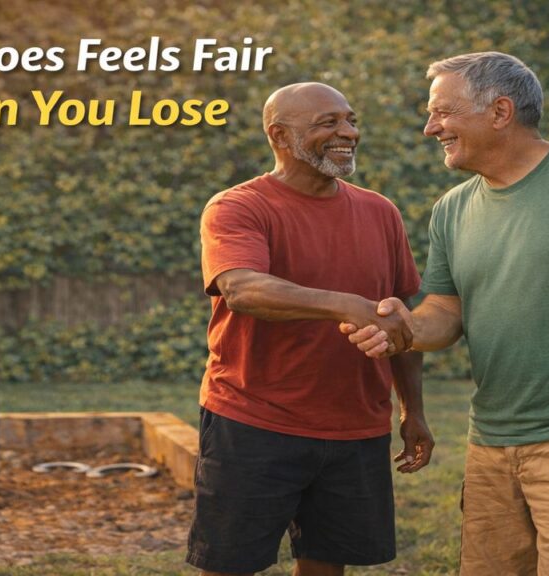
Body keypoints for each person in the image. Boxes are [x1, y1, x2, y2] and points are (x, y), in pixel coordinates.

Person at [343, 52, 549, 575]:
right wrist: (403, 329)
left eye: (443, 112)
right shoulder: (452, 208)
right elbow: (445, 311)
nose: (430, 126)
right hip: (492, 448)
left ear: (501, 111)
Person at [186, 82, 434, 576]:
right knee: (229, 564)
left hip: (356, 426)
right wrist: (346, 305)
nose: (348, 132)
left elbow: (398, 317)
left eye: (350, 120)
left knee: (327, 565)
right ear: (280, 135)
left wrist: (413, 412)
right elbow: (242, 289)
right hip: (254, 422)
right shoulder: (238, 207)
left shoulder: (380, 211)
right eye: (328, 123)